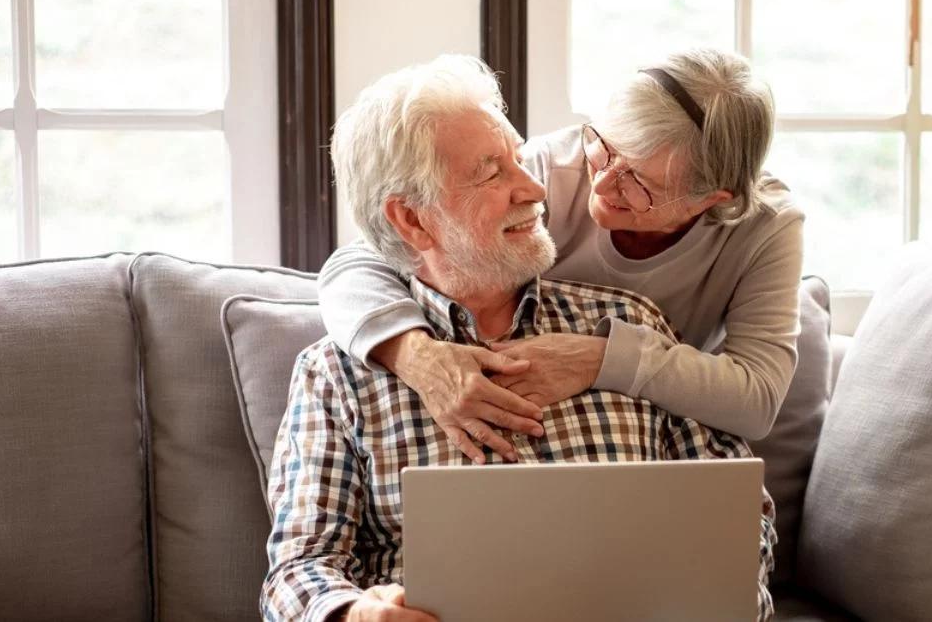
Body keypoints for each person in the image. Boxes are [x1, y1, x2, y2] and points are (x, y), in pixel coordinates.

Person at [261, 55, 777, 622]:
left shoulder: (632, 325)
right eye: (491, 172)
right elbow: (297, 569)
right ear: (412, 221)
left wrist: (717, 600)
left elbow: (741, 517)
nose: (535, 186)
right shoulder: (334, 376)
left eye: (519, 158)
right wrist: (354, 614)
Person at [318, 47, 806, 464]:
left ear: (711, 201)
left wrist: (599, 359)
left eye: (641, 183)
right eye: (604, 148)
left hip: (641, 428)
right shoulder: (550, 167)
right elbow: (371, 253)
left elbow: (757, 398)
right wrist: (418, 357)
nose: (604, 183)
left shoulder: (766, 224)